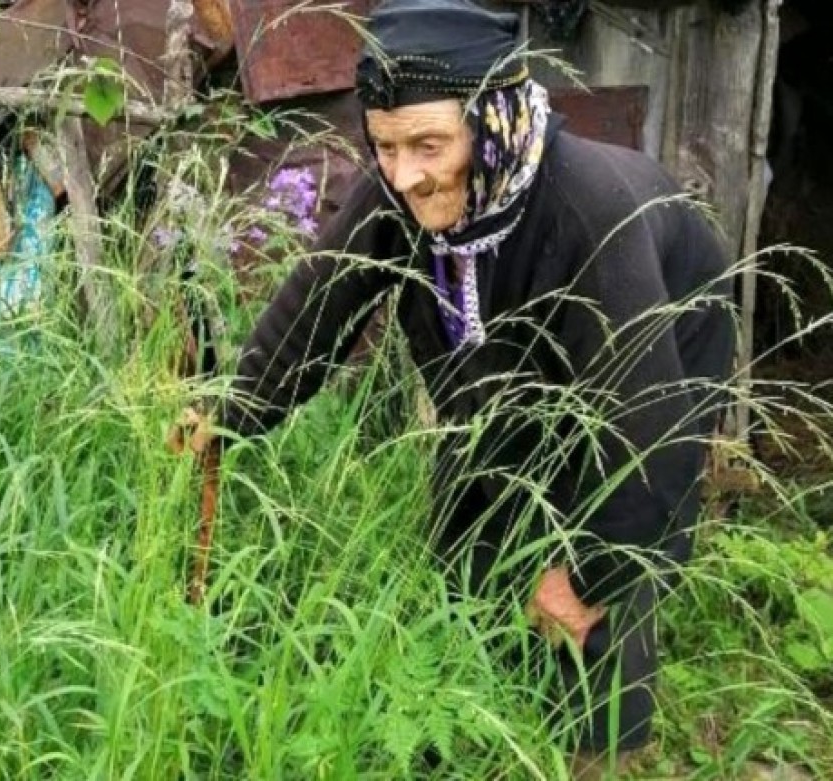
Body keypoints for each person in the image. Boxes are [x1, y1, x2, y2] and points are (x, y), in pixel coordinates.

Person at [169, 0, 736, 777]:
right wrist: (234, 412)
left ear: (491, 122)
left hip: (657, 344)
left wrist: (586, 578)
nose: (405, 173)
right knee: (473, 508)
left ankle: (597, 754)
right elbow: (319, 303)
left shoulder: (585, 214)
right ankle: (475, 716)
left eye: (429, 144)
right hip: (506, 359)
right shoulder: (401, 191)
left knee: (597, 575)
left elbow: (648, 425)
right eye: (385, 146)